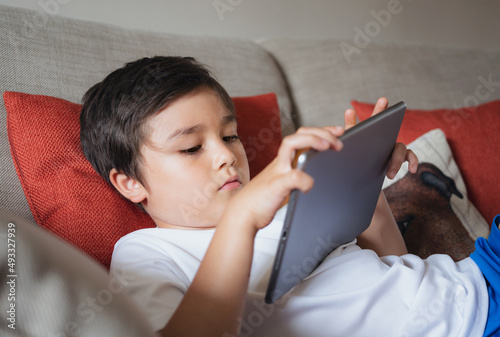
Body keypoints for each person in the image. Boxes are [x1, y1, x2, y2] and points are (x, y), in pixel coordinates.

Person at [80, 56, 497, 337]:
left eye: (230, 135)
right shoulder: (146, 252)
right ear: (129, 182)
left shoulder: (288, 205)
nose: (227, 155)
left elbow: (396, 269)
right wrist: (241, 218)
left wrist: (366, 184)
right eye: (191, 148)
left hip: (473, 281)